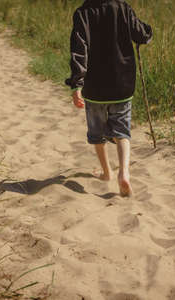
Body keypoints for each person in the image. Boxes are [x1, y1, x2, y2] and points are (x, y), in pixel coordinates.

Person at [65, 0, 152, 197]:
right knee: (122, 131)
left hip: (94, 88)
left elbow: (79, 49)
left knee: (97, 133)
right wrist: (148, 32)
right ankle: (124, 172)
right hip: (121, 84)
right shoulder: (123, 7)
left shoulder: (83, 12)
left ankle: (106, 172)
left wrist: (77, 83)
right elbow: (141, 34)